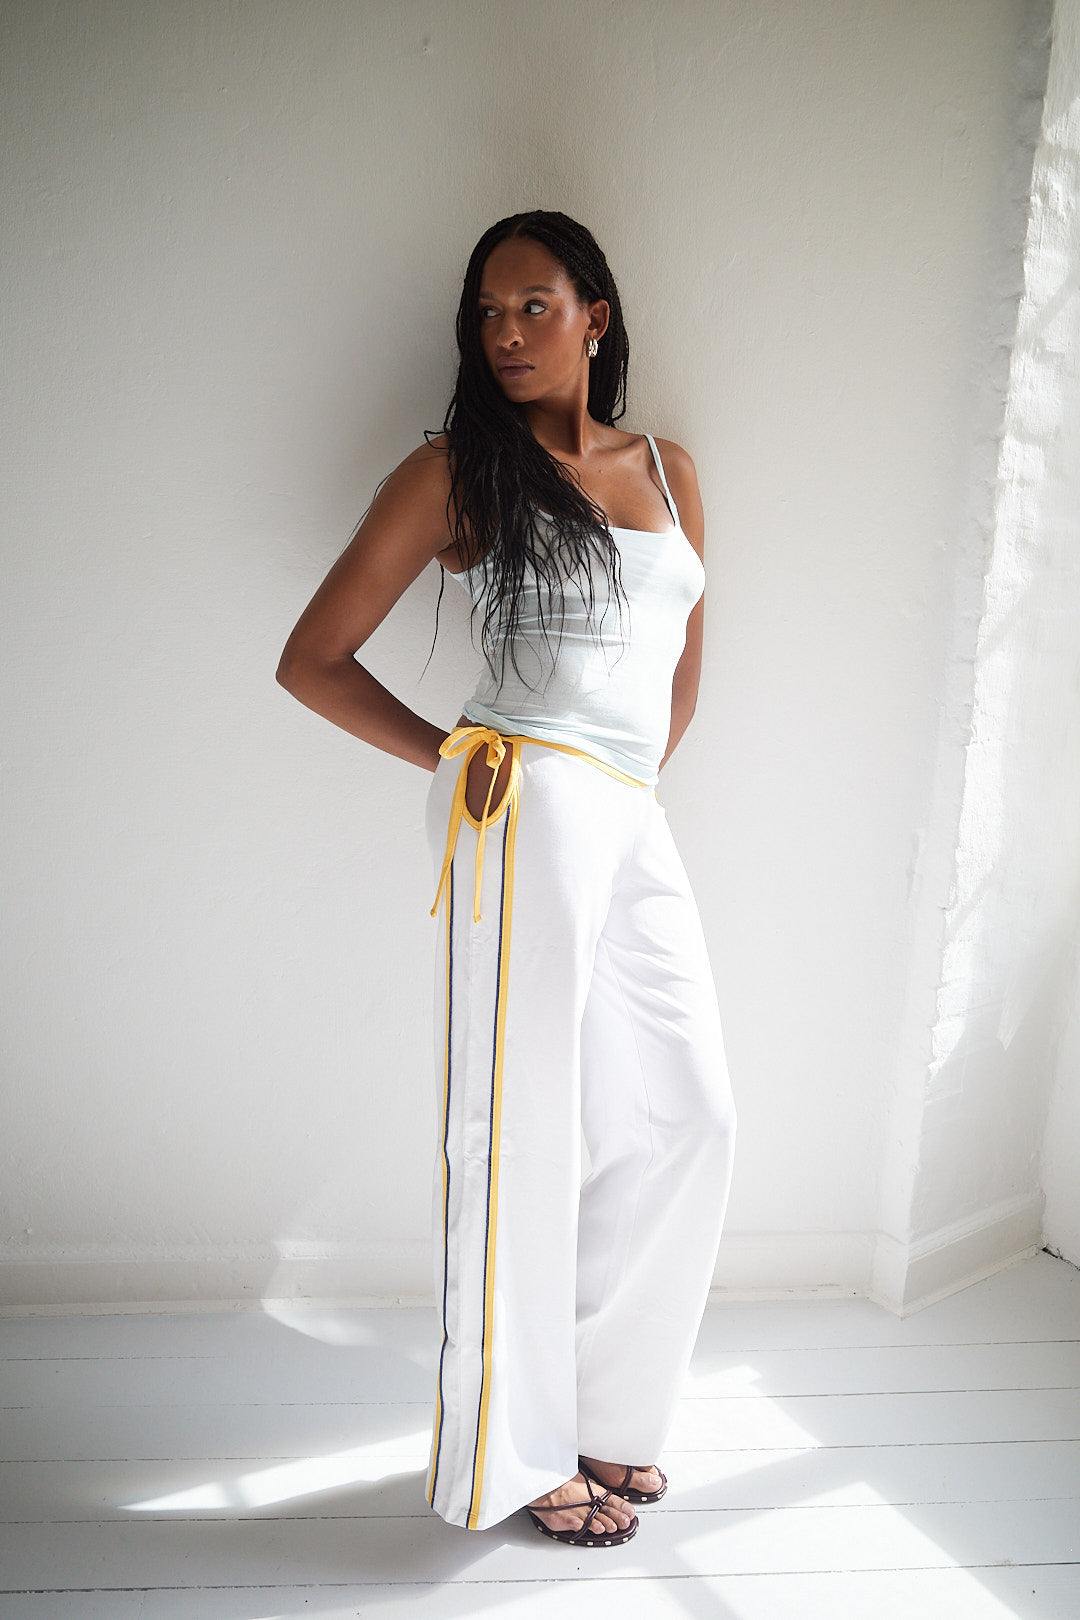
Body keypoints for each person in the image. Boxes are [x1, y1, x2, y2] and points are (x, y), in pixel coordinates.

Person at [276, 209, 737, 1548]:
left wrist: (627, 786)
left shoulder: (669, 469)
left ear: (598, 316)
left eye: (535, 306)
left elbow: (680, 669)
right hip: (520, 800)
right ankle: (513, 1456)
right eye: (488, 312)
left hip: (631, 810)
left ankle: (609, 1411)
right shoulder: (458, 471)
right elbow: (312, 658)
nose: (508, 334)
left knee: (691, 1115)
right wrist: (464, 762)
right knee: (519, 1129)